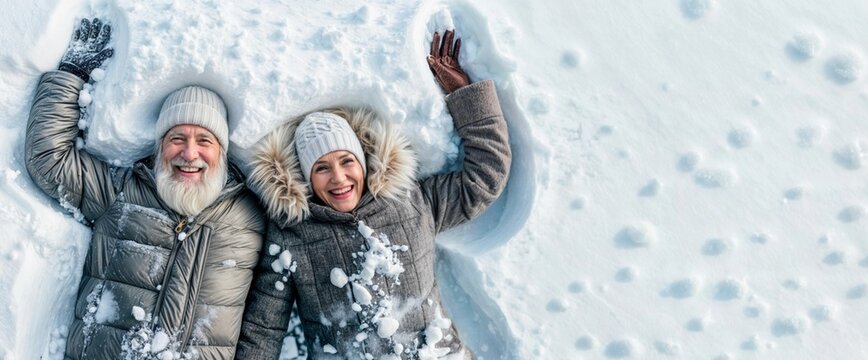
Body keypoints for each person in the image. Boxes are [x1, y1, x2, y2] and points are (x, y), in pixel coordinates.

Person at [237, 29, 511, 359]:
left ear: (363, 162)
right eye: (321, 168)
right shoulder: (292, 237)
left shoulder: (412, 202)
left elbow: (486, 175)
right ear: (306, 180)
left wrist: (466, 96)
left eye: (346, 161)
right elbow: (264, 329)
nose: (338, 177)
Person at [25, 18, 266, 359]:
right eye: (176, 138)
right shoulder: (122, 193)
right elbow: (50, 161)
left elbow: (264, 324)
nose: (189, 153)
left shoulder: (249, 218)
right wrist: (71, 76)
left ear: (223, 152)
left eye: (205, 141)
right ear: (159, 147)